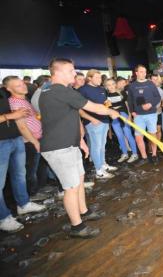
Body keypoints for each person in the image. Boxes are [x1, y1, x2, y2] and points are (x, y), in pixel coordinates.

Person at [39, 58, 120, 238]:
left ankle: (84, 211)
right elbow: (91, 107)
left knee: (80, 180)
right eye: (70, 70)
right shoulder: (59, 90)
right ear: (57, 73)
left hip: (70, 143)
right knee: (71, 187)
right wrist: (111, 111)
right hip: (59, 147)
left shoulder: (54, 91)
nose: (74, 74)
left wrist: (81, 140)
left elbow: (67, 116)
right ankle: (77, 227)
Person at [0, 96, 46, 233]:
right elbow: (14, 115)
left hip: (15, 138)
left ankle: (23, 204)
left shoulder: (2, 93)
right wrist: (11, 115)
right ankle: (3, 217)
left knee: (20, 174)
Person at [4, 76, 45, 199]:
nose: (23, 86)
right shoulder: (15, 103)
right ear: (8, 89)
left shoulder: (24, 98)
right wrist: (34, 142)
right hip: (29, 141)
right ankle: (32, 194)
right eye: (18, 85)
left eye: (22, 83)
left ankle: (37, 190)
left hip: (37, 137)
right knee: (29, 171)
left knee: (36, 168)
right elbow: (22, 127)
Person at [78, 70, 116, 179]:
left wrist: (107, 104)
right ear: (89, 78)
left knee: (102, 145)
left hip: (104, 120)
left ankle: (103, 164)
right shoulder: (83, 90)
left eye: (100, 78)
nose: (100, 80)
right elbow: (79, 108)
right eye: (97, 78)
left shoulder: (101, 89)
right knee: (96, 146)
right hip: (93, 122)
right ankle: (99, 170)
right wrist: (91, 119)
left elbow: (104, 103)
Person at [127, 65, 162, 166]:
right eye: (141, 72)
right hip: (138, 116)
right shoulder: (132, 86)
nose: (144, 74)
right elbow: (130, 100)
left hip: (151, 114)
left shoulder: (151, 84)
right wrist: (132, 112)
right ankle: (144, 157)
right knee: (138, 137)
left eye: (145, 72)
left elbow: (157, 97)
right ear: (136, 73)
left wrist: (151, 104)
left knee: (152, 135)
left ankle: (154, 155)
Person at [104, 78, 139, 164]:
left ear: (115, 84)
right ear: (106, 86)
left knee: (128, 134)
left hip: (124, 115)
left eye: (112, 84)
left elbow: (127, 105)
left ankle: (134, 153)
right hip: (114, 117)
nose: (111, 86)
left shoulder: (122, 92)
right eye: (109, 85)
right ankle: (124, 153)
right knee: (119, 136)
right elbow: (107, 107)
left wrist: (130, 116)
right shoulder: (106, 95)